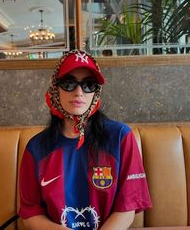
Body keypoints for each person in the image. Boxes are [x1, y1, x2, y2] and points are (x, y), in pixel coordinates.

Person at [18, 49, 152, 230]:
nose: (79, 92)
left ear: (96, 92)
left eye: (89, 84)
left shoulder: (120, 137)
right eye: (68, 83)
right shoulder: (36, 148)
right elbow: (31, 213)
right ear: (55, 88)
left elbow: (127, 207)